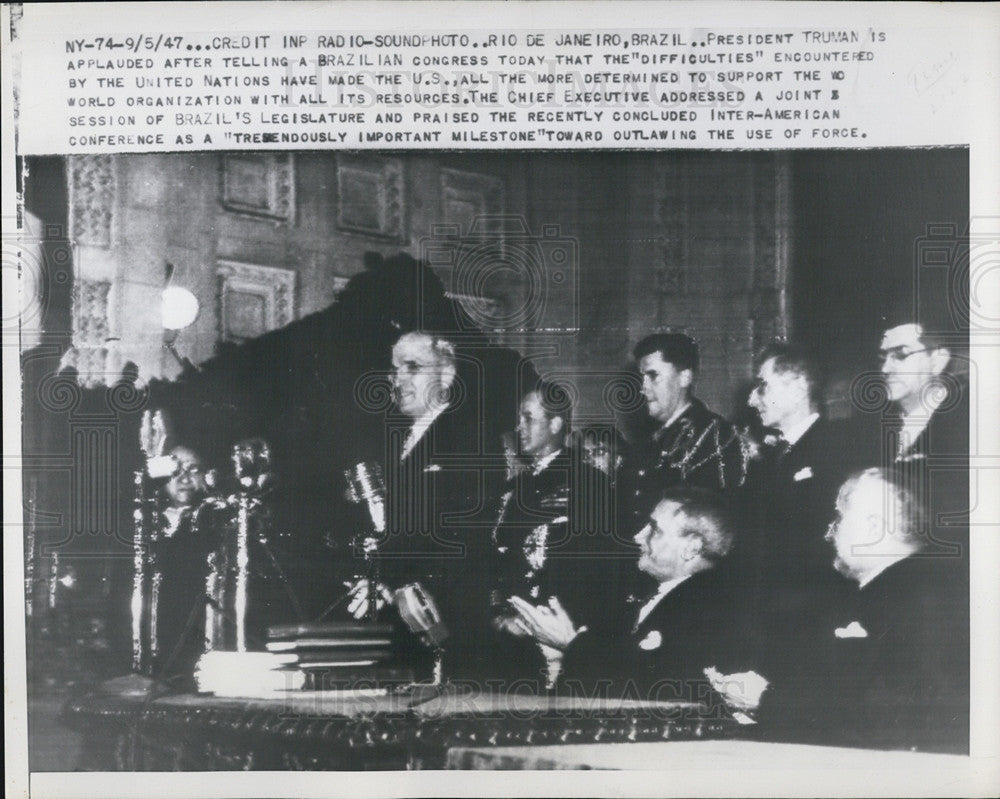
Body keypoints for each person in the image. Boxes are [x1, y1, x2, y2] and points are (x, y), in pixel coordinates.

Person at [748, 468, 969, 753]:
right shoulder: (901, 591)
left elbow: (887, 719)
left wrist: (766, 701)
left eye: (840, 516)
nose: (829, 531)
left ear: (874, 529)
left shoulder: (914, 599)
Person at [510, 488, 757, 702]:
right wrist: (558, 656)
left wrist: (570, 644)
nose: (638, 536)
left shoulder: (713, 608)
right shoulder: (653, 595)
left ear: (691, 548)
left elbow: (662, 687)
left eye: (654, 529)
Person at [348, 331, 495, 679]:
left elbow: (463, 539)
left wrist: (393, 583)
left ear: (446, 375)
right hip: (397, 620)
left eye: (412, 367)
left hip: (446, 622)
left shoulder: (469, 440)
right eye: (394, 370)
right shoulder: (398, 442)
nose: (398, 379)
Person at [489, 384, 632, 686]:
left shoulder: (588, 483)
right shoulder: (515, 488)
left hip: (554, 633)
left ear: (555, 424)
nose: (519, 427)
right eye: (519, 419)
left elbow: (591, 567)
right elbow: (501, 554)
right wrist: (498, 612)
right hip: (509, 631)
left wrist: (534, 619)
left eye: (528, 418)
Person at [740, 343, 865, 625]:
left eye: (762, 386)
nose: (751, 400)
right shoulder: (768, 458)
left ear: (797, 390)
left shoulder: (838, 450)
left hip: (811, 616)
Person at [622, 333, 746, 531]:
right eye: (641, 378)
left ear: (684, 377)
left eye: (653, 376)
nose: (642, 389)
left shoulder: (714, 435)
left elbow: (712, 524)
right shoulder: (649, 440)